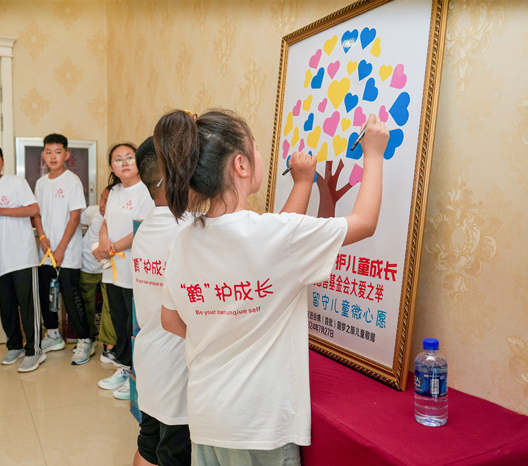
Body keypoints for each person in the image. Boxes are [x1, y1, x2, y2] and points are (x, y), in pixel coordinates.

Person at [154, 109, 388, 465]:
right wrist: (373, 152)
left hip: (206, 416)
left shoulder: (183, 240)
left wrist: (221, 328)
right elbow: (364, 222)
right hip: (260, 424)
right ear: (241, 165)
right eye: (256, 148)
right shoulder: (274, 235)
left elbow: (170, 320)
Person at [131, 136, 191, 465]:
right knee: (172, 454)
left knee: (149, 444)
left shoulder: (147, 227)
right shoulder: (188, 230)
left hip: (150, 357)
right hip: (176, 368)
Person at [0, 142, 45, 373]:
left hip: (22, 255)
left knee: (28, 307)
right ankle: (15, 346)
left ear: (2, 162)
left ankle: (35, 350)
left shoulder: (16, 182)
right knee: (6, 307)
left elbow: (33, 209)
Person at [94, 143, 154, 397]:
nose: (125, 162)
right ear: (112, 167)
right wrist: (104, 241)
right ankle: (124, 368)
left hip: (133, 269)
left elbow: (143, 228)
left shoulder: (146, 191)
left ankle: (137, 377)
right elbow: (106, 222)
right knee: (118, 320)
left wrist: (113, 247)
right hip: (112, 268)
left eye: (130, 157)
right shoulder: (115, 191)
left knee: (133, 325)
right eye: (118, 159)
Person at [32, 133, 93, 365]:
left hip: (67, 252)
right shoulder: (41, 183)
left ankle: (85, 339)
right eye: (48, 152)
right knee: (46, 293)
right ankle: (53, 335)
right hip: (46, 252)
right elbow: (37, 214)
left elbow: (75, 217)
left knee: (70, 295)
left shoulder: (72, 181)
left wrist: (60, 249)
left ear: (66, 155)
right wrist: (42, 237)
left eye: (58, 152)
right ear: (43, 155)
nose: (53, 157)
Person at [78, 185, 118, 362]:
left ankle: (109, 344)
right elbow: (74, 219)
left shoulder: (118, 218)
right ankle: (88, 339)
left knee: (109, 307)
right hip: (87, 265)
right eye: (102, 198)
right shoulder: (92, 212)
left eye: (107, 201)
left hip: (108, 269)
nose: (102, 204)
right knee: (86, 304)